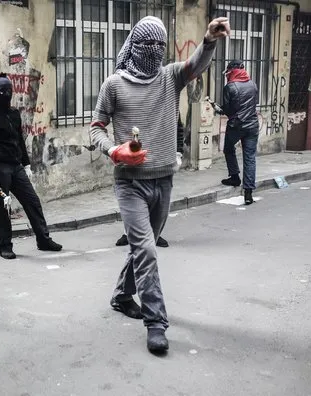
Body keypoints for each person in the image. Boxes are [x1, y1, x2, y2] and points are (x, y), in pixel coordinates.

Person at [89, 16, 229, 353]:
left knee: (142, 247)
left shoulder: (169, 77)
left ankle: (123, 295)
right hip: (130, 184)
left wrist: (208, 40)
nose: (153, 51)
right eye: (147, 44)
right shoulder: (114, 85)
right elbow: (95, 128)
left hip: (164, 180)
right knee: (147, 249)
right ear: (134, 45)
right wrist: (113, 150)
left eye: (159, 45)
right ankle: (156, 322)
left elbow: (196, 64)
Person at [0, 73, 63, 259]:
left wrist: (26, 164)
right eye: (2, 90)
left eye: (8, 90)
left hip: (16, 167)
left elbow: (19, 140)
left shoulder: (14, 114)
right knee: (2, 208)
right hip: (0, 170)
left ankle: (43, 239)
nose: (5, 93)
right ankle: (5, 246)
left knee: (32, 201)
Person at [114, 114, 185, 248]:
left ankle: (154, 234)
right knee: (134, 206)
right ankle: (129, 233)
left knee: (156, 206)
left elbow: (178, 129)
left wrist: (178, 153)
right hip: (133, 166)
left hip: (160, 166)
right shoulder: (132, 105)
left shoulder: (167, 103)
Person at [219, 60, 259, 205]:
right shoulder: (253, 84)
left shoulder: (229, 87)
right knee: (250, 157)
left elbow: (229, 110)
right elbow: (253, 104)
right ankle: (248, 194)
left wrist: (219, 109)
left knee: (228, 149)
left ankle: (235, 177)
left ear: (231, 71)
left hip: (236, 125)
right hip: (253, 125)